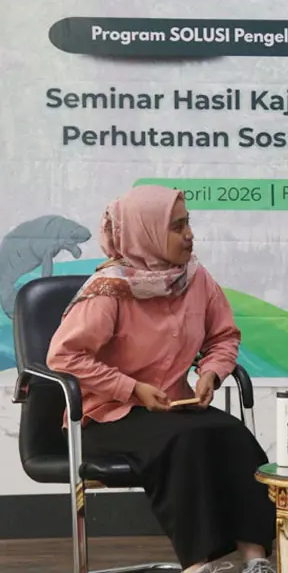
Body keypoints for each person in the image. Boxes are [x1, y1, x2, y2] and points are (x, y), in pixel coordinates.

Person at [47, 185, 276, 573]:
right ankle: (198, 565)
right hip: (107, 414)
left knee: (234, 435)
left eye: (188, 223)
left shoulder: (196, 279)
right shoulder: (109, 290)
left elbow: (224, 336)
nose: (189, 235)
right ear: (146, 233)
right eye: (177, 226)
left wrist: (211, 372)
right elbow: (64, 357)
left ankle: (256, 560)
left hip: (171, 406)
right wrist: (131, 388)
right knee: (183, 442)